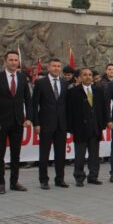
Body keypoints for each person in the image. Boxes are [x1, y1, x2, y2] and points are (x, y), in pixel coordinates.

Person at [0, 51, 33, 194]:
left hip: (18, 122)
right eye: (11, 60)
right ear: (5, 61)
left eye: (16, 60)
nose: (13, 62)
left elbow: (28, 100)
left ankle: (14, 182)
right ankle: (1, 183)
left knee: (16, 153)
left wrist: (29, 118)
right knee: (0, 153)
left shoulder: (23, 77)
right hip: (1, 122)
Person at [32, 58, 69, 190]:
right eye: (54, 66)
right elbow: (34, 104)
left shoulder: (65, 83)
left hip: (61, 124)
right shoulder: (40, 83)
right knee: (44, 153)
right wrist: (36, 123)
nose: (56, 68)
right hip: (45, 123)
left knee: (60, 153)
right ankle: (44, 180)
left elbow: (67, 105)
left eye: (59, 66)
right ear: (48, 68)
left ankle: (60, 179)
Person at [66, 68, 106, 187]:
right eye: (85, 75)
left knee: (94, 155)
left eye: (90, 75)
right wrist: (71, 128)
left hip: (94, 128)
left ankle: (93, 176)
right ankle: (79, 177)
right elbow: (69, 112)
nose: (88, 77)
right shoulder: (73, 92)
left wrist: (102, 124)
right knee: (80, 156)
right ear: (79, 77)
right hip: (80, 129)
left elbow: (103, 109)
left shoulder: (98, 90)